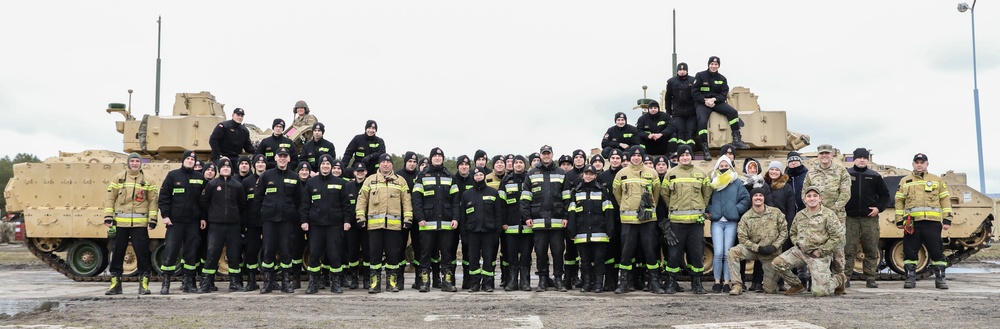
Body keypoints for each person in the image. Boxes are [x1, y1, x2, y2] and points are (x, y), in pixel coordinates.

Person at [772, 186, 847, 297]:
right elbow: (792, 233)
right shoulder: (800, 215)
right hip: (801, 252)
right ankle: (797, 285)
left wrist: (821, 251)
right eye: (809, 196)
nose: (812, 198)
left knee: (819, 292)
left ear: (820, 199)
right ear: (805, 199)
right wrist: (797, 243)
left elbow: (837, 236)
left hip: (819, 255)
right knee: (777, 263)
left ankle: (838, 279)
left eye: (815, 196)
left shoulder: (828, 215)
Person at [356, 154, 413, 293]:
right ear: (379, 165)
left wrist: (408, 219)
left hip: (393, 227)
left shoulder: (401, 181)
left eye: (388, 162)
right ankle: (374, 284)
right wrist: (360, 217)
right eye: (383, 162)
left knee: (392, 255)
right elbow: (362, 200)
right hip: (374, 226)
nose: (386, 164)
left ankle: (391, 283)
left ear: (392, 165)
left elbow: (406, 202)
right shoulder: (370, 180)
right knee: (374, 255)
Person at [103, 153, 158, 295]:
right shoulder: (119, 178)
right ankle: (115, 284)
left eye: (137, 161)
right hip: (120, 223)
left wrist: (152, 220)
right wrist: (108, 216)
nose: (134, 163)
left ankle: (144, 284)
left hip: (140, 223)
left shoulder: (148, 180)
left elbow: (153, 202)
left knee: (142, 254)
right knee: (117, 253)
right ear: (128, 163)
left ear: (141, 163)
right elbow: (110, 198)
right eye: (132, 161)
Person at [612, 146, 665, 294]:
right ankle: (624, 283)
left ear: (642, 157)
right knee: (626, 252)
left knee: (650, 251)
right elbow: (617, 194)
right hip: (628, 221)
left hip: (647, 220)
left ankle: (654, 282)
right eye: (633, 155)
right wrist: (626, 205)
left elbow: (657, 193)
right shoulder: (621, 174)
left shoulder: (652, 173)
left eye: (638, 155)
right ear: (629, 157)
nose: (636, 157)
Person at [895, 153, 951, 289]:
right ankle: (910, 278)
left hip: (932, 222)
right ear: (913, 164)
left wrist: (947, 218)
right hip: (912, 222)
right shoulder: (905, 181)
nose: (919, 164)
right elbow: (899, 201)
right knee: (909, 252)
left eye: (922, 162)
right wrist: (899, 220)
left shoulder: (936, 180)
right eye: (917, 162)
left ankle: (940, 279)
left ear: (927, 164)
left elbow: (945, 199)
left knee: (936, 251)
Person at [660, 145, 711, 294]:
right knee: (674, 254)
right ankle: (671, 282)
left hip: (695, 223)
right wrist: (674, 207)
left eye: (687, 155)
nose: (685, 157)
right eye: (682, 155)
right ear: (678, 158)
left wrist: (701, 207)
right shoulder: (671, 174)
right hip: (677, 222)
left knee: (696, 254)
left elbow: (706, 193)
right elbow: (665, 194)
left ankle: (697, 283)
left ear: (691, 157)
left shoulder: (701, 173)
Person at [521, 145, 572, 292]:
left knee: (558, 252)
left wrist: (566, 216)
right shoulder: (531, 173)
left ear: (552, 155)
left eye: (548, 154)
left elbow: (567, 197)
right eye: (543, 154)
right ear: (540, 156)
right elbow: (525, 197)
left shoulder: (561, 173)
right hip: (538, 221)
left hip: (557, 221)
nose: (546, 156)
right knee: (540, 252)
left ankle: (558, 279)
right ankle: (542, 279)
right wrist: (527, 217)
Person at [300, 155, 352, 294]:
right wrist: (304, 221)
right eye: (323, 164)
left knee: (335, 255)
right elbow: (304, 205)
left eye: (328, 164)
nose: (325, 166)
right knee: (315, 255)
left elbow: (346, 205)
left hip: (334, 226)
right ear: (319, 166)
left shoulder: (340, 183)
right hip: (316, 226)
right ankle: (313, 284)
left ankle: (336, 283)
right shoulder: (312, 183)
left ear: (331, 166)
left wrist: (347, 221)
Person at [156, 150, 205, 294]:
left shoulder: (199, 178)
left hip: (193, 222)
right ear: (183, 160)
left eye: (193, 159)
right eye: (188, 158)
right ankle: (166, 283)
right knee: (171, 251)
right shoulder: (173, 175)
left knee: (191, 253)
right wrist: (165, 215)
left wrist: (202, 217)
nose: (190, 161)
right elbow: (164, 197)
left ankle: (188, 282)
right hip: (175, 222)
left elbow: (203, 201)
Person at [254, 147, 301, 294]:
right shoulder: (266, 176)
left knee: (286, 251)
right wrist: (262, 216)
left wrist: (294, 216)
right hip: (269, 221)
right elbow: (258, 198)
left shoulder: (294, 177)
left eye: (285, 156)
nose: (282, 158)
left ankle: (286, 282)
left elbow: (299, 200)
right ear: (275, 158)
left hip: (287, 221)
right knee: (268, 251)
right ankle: (268, 282)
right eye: (280, 156)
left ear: (289, 159)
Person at [412, 147, 459, 292]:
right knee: (425, 254)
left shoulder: (450, 176)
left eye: (440, 156)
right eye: (435, 156)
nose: (438, 158)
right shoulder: (422, 176)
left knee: (447, 254)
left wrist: (456, 218)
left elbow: (456, 201)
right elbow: (416, 199)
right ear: (431, 158)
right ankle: (424, 282)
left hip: (446, 224)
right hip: (427, 223)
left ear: (443, 159)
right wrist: (419, 217)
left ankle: (447, 282)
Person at [198, 158, 247, 293]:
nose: (226, 168)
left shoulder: (237, 185)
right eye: (223, 167)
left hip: (233, 226)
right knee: (212, 253)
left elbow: (242, 204)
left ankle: (235, 283)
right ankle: (207, 282)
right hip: (216, 225)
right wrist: (214, 213)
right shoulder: (212, 184)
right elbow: (204, 201)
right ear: (219, 169)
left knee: (234, 254)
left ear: (231, 169)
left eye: (228, 167)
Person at [802, 144, 851, 278]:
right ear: (818, 156)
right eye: (822, 153)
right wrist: (813, 208)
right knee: (815, 244)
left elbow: (845, 193)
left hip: (836, 215)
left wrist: (832, 211)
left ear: (832, 155)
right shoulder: (811, 172)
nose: (824, 156)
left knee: (837, 246)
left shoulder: (841, 171)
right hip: (815, 216)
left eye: (827, 153)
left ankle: (839, 277)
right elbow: (804, 193)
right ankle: (817, 277)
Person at [728, 188, 788, 295]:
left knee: (770, 289)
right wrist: (757, 248)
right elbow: (742, 238)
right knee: (733, 252)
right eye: (755, 195)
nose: (758, 197)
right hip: (754, 251)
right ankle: (737, 285)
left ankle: (771, 283)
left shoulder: (776, 213)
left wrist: (774, 246)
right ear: (752, 198)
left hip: (771, 253)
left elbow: (784, 231)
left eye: (761, 195)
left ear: (764, 198)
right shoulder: (746, 217)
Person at [845, 148, 890, 288]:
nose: (862, 160)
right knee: (848, 249)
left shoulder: (874, 176)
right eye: (859, 158)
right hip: (849, 217)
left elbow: (885, 195)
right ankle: (845, 278)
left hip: (869, 218)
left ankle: (870, 277)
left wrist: (878, 208)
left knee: (870, 248)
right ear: (854, 159)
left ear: (867, 159)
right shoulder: (846, 174)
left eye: (864, 158)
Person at [567, 165, 614, 293]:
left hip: (599, 232)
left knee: (599, 259)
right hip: (582, 233)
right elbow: (572, 213)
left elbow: (608, 211)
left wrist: (610, 230)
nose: (588, 176)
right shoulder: (576, 192)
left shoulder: (602, 191)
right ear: (583, 175)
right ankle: (587, 283)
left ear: (595, 175)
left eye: (591, 174)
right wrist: (571, 231)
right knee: (585, 260)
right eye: (586, 174)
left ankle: (598, 284)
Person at [707, 157, 750, 293]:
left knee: (727, 253)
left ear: (730, 167)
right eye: (721, 165)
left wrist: (736, 210)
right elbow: (705, 198)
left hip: (731, 221)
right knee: (718, 253)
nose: (724, 167)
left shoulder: (736, 182)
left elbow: (745, 198)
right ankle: (717, 282)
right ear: (717, 167)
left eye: (726, 164)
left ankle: (727, 282)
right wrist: (710, 210)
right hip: (717, 221)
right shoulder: (713, 182)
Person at [460, 166, 505, 292]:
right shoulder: (467, 194)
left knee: (488, 258)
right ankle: (474, 283)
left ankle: (488, 284)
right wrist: (463, 234)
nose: (478, 177)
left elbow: (498, 214)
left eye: (481, 175)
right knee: (473, 259)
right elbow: (463, 216)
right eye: (476, 175)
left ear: (484, 176)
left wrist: (497, 232)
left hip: (489, 232)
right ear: (473, 177)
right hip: (472, 232)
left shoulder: (493, 192)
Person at [691, 56, 749, 151]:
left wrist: (714, 99)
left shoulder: (722, 79)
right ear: (709, 65)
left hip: (716, 102)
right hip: (702, 103)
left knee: (733, 112)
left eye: (716, 64)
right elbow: (694, 92)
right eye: (712, 64)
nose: (714, 66)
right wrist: (705, 100)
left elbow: (723, 94)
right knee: (702, 122)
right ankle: (705, 147)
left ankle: (737, 140)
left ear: (718, 66)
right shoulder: (700, 76)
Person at [763, 160, 797, 291]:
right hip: (766, 225)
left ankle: (781, 282)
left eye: (776, 170)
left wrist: (788, 226)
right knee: (764, 254)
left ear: (780, 172)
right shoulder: (764, 184)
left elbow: (790, 208)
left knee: (781, 255)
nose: (773, 172)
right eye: (772, 169)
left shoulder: (786, 187)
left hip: (781, 225)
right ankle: (761, 281)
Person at [501, 155, 533, 291]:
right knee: (511, 256)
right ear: (512, 165)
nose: (518, 165)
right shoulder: (506, 181)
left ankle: (525, 282)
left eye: (521, 162)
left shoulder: (530, 179)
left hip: (527, 226)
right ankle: (512, 281)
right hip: (511, 225)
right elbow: (501, 204)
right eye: (516, 162)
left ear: (524, 165)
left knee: (526, 255)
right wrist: (503, 222)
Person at [240, 154, 267, 292]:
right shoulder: (247, 182)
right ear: (254, 165)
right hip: (251, 223)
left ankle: (270, 281)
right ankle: (251, 281)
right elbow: (242, 205)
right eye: (258, 162)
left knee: (269, 251)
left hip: (268, 222)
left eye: (263, 162)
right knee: (251, 252)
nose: (260, 164)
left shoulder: (270, 179)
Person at [396, 151, 421, 290]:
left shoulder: (420, 176)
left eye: (414, 162)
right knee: (400, 248)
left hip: (417, 218)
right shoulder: (398, 176)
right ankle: (399, 280)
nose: (412, 164)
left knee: (418, 248)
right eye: (409, 161)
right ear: (405, 162)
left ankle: (419, 279)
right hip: (401, 217)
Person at [343, 162, 370, 289]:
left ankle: (367, 279)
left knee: (367, 253)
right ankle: (354, 278)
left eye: (362, 171)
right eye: (358, 171)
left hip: (367, 226)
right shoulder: (348, 186)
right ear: (354, 173)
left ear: (366, 172)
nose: (360, 173)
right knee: (352, 253)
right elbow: (345, 206)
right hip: (352, 226)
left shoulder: (370, 186)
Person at [665, 63, 700, 159]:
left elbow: (697, 96)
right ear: (677, 71)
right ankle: (680, 153)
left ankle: (690, 153)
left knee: (690, 133)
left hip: (691, 113)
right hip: (678, 113)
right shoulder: (671, 82)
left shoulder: (693, 81)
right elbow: (668, 98)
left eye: (684, 70)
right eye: (680, 70)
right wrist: (669, 113)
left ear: (687, 70)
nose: (682, 71)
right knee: (680, 133)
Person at [452, 155, 476, 289]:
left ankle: (468, 279)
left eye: (466, 165)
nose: (464, 167)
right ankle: (450, 279)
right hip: (454, 221)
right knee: (451, 251)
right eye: (461, 164)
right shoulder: (452, 180)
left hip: (469, 221)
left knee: (468, 252)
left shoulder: (473, 181)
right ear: (457, 167)